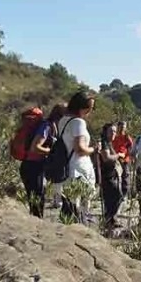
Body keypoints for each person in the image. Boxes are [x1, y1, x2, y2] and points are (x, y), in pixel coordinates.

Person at [57, 91, 96, 224]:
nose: (90, 111)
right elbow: (80, 149)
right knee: (76, 210)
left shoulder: (63, 120)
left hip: (66, 169)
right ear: (81, 107)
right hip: (77, 170)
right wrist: (94, 149)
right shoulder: (78, 122)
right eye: (89, 108)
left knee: (68, 207)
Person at [19, 104, 64, 218]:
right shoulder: (46, 126)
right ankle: (36, 227)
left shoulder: (50, 126)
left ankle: (35, 224)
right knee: (37, 201)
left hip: (31, 166)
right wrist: (51, 151)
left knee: (36, 200)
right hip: (33, 167)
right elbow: (36, 147)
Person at [99, 123, 124, 230]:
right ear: (105, 132)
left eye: (114, 131)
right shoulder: (104, 143)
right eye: (111, 131)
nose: (113, 133)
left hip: (112, 175)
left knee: (117, 196)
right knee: (114, 197)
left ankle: (111, 220)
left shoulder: (109, 143)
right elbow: (106, 157)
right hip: (107, 176)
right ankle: (109, 220)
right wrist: (118, 155)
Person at [112, 121, 133, 197]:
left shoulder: (127, 137)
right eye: (121, 127)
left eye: (124, 127)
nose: (122, 128)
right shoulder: (114, 136)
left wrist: (129, 156)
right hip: (115, 159)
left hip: (124, 160)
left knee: (125, 177)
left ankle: (124, 194)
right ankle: (116, 193)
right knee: (115, 177)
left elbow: (131, 148)